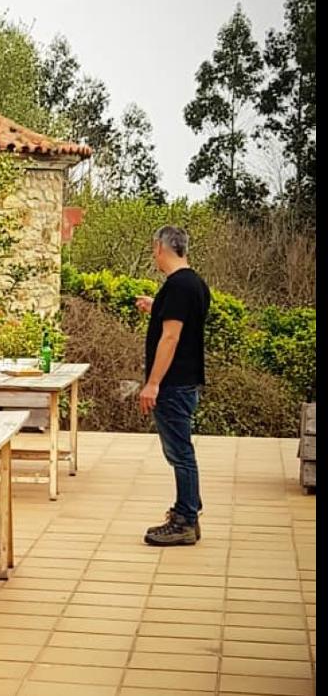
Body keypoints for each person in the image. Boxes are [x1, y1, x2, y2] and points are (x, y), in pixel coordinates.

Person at [136, 225, 210, 546]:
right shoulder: (193, 284)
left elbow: (172, 336)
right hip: (185, 381)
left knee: (180, 452)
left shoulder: (179, 286)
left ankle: (185, 519)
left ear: (160, 248)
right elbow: (182, 321)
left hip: (173, 384)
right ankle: (188, 510)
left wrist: (153, 383)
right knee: (181, 451)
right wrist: (157, 307)